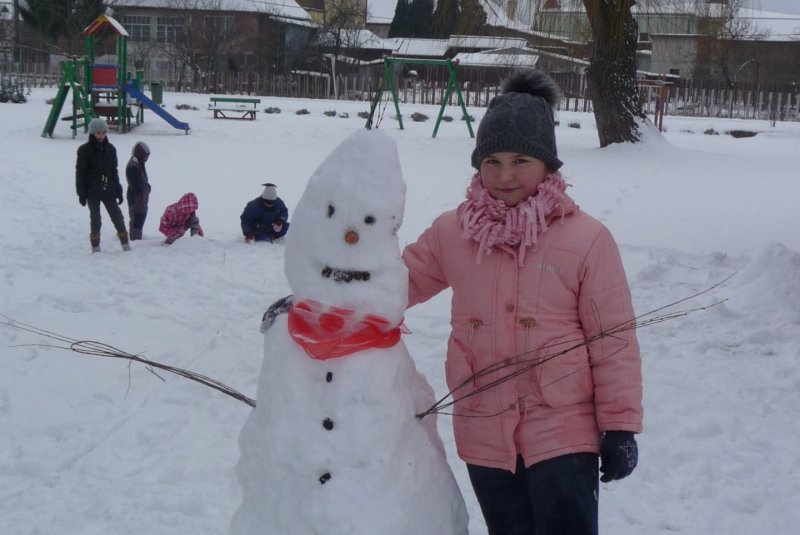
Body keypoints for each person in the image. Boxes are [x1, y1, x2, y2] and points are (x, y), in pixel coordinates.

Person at [402, 69, 643, 535]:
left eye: (520, 160)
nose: (505, 175)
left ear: (548, 164)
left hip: (564, 432)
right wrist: (317, 302)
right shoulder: (452, 233)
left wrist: (620, 425)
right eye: (491, 161)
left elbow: (613, 340)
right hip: (484, 430)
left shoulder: (587, 239)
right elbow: (390, 286)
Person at [75, 117, 130, 253]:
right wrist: (81, 193)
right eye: (98, 133)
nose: (101, 136)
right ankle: (95, 245)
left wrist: (118, 190)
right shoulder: (84, 150)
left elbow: (114, 171)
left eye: (103, 133)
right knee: (95, 218)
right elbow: (80, 173)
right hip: (92, 190)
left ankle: (125, 242)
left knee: (117, 216)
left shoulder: (110, 149)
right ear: (92, 133)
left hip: (108, 188)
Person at [125, 141, 151, 241]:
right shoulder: (133, 167)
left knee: (140, 219)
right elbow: (136, 186)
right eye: (145, 157)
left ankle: (137, 237)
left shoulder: (139, 163)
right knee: (136, 220)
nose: (146, 159)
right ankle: (135, 239)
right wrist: (146, 189)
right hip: (136, 200)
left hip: (141, 200)